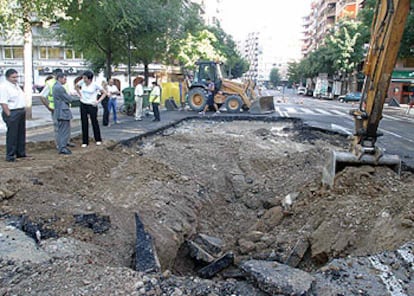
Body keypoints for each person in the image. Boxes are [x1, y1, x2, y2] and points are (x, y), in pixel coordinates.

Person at [40, 71, 75, 148]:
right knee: (59, 128)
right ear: (58, 77)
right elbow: (42, 96)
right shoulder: (51, 84)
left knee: (65, 128)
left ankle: (65, 142)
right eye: (64, 78)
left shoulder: (61, 84)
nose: (66, 80)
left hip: (63, 108)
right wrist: (49, 107)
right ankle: (60, 145)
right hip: (56, 109)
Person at [0, 69, 27, 162]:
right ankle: (10, 155)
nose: (16, 79)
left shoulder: (16, 86)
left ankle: (20, 153)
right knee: (12, 135)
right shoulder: (4, 87)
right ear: (8, 77)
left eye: (17, 77)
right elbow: (3, 102)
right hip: (12, 112)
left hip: (20, 111)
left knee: (21, 134)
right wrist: (9, 115)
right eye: (13, 77)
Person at [76, 70, 107, 147]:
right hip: (83, 103)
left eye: (85, 78)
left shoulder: (95, 85)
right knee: (84, 122)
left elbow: (104, 93)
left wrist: (98, 101)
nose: (84, 79)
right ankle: (85, 141)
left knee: (94, 121)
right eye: (83, 78)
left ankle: (98, 139)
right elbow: (76, 86)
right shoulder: (82, 82)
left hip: (92, 105)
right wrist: (79, 94)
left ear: (90, 79)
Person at [52, 73, 74, 155]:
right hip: (62, 111)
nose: (65, 81)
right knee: (64, 130)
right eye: (65, 79)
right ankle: (62, 147)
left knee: (62, 130)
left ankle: (62, 146)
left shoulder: (56, 86)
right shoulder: (59, 88)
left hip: (59, 111)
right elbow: (68, 98)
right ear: (60, 78)